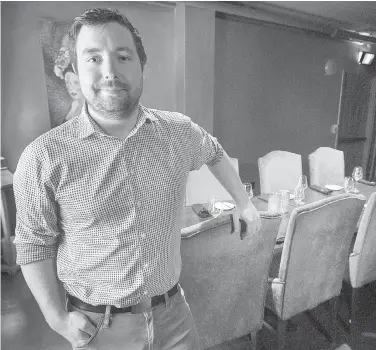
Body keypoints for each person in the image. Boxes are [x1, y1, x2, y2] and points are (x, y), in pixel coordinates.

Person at [14, 8, 261, 350]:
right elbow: (33, 244)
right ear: (75, 69)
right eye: (93, 58)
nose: (110, 71)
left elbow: (214, 152)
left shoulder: (178, 132)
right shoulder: (43, 156)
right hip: (99, 327)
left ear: (141, 65)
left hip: (174, 315)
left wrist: (244, 202)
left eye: (123, 56)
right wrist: (57, 318)